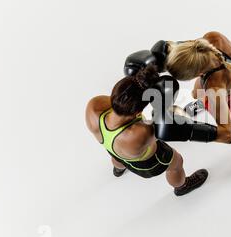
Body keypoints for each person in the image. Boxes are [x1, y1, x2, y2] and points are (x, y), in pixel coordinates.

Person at [85, 66, 208, 196]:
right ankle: (182, 186)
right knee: (177, 162)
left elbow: (124, 100)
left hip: (113, 148)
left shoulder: (94, 107)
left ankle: (118, 169)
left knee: (118, 157)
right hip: (147, 162)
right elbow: (165, 126)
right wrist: (165, 106)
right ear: (138, 112)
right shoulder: (140, 133)